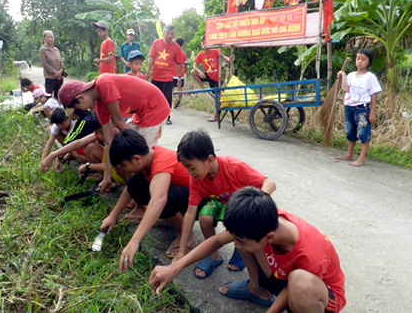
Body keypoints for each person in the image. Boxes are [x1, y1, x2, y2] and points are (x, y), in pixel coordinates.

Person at [150, 187, 346, 313]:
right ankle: (255, 288)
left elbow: (292, 289)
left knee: (300, 284)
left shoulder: (311, 253)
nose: (236, 246)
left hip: (321, 297)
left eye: (240, 241)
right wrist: (173, 268)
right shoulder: (261, 222)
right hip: (283, 275)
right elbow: (217, 240)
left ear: (269, 238)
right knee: (247, 244)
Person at [172, 130, 276, 280]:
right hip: (219, 202)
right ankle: (213, 255)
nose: (189, 173)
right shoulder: (196, 179)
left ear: (209, 159)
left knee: (238, 221)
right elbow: (190, 212)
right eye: (186, 168)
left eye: (192, 167)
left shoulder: (233, 166)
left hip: (238, 203)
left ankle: (241, 248)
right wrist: (181, 250)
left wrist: (255, 203)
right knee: (205, 218)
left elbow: (270, 183)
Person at [100, 129, 198, 270]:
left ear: (136, 159)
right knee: (134, 183)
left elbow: (159, 200)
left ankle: (187, 236)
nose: (124, 170)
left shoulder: (161, 163)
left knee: (164, 200)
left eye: (124, 165)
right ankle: (167, 219)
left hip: (200, 201)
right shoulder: (148, 159)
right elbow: (130, 189)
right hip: (184, 195)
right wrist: (112, 216)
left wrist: (134, 242)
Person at [57, 76, 170, 193]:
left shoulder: (104, 83)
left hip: (155, 108)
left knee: (141, 155)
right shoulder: (100, 104)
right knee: (125, 153)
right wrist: (106, 178)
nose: (81, 110)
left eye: (77, 107)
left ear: (80, 97)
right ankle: (134, 191)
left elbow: (118, 120)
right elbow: (108, 142)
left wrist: (136, 144)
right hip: (141, 112)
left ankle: (150, 192)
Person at [335, 48, 382, 166]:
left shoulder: (370, 77)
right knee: (350, 131)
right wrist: (343, 76)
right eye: (357, 59)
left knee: (363, 133)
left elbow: (374, 95)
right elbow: (345, 89)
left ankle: (361, 158)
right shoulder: (351, 75)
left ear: (369, 62)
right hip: (349, 107)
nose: (359, 62)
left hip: (362, 109)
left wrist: (372, 112)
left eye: (363, 59)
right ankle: (349, 154)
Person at [191, 35, 235, 122]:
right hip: (207, 75)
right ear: (201, 44)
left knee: (217, 97)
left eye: (206, 42)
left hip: (216, 78)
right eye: (203, 43)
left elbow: (226, 58)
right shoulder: (200, 54)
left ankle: (216, 115)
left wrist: (230, 59)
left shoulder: (215, 51)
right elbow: (194, 65)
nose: (205, 44)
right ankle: (202, 87)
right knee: (192, 72)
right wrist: (199, 71)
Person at [145, 25, 183, 125]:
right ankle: (154, 115)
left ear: (174, 35)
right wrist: (148, 70)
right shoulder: (156, 43)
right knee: (154, 96)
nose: (169, 36)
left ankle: (167, 117)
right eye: (167, 33)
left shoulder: (176, 47)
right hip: (155, 76)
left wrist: (179, 77)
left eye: (171, 34)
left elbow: (179, 63)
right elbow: (152, 57)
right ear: (164, 33)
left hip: (167, 77)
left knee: (167, 97)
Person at [39, 30, 64, 98]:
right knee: (48, 96)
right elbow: (44, 63)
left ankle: (58, 108)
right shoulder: (43, 50)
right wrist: (54, 72)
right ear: (44, 39)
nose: (50, 39)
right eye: (48, 37)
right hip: (50, 77)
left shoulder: (56, 50)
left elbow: (61, 62)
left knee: (58, 95)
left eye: (52, 37)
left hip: (59, 77)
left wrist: (60, 71)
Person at [172, 38, 187, 109]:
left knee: (171, 88)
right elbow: (185, 64)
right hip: (181, 74)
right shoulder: (183, 53)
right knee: (180, 88)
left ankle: (174, 99)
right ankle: (179, 101)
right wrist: (186, 72)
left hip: (173, 73)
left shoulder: (173, 52)